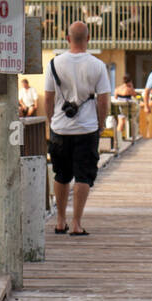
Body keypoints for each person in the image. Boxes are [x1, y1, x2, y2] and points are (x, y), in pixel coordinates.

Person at [43, 21, 112, 236]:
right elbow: (103, 100)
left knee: (60, 175)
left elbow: (48, 96)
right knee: (84, 176)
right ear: (88, 39)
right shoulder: (98, 65)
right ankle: (76, 223)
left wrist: (51, 120)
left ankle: (60, 221)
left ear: (67, 39)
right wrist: (101, 124)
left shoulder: (54, 64)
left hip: (60, 129)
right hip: (87, 129)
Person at [113, 74, 136, 139]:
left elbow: (115, 97)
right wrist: (132, 86)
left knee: (120, 122)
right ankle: (119, 138)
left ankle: (118, 138)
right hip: (127, 108)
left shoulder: (117, 89)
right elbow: (134, 95)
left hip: (119, 107)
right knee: (123, 123)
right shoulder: (129, 89)